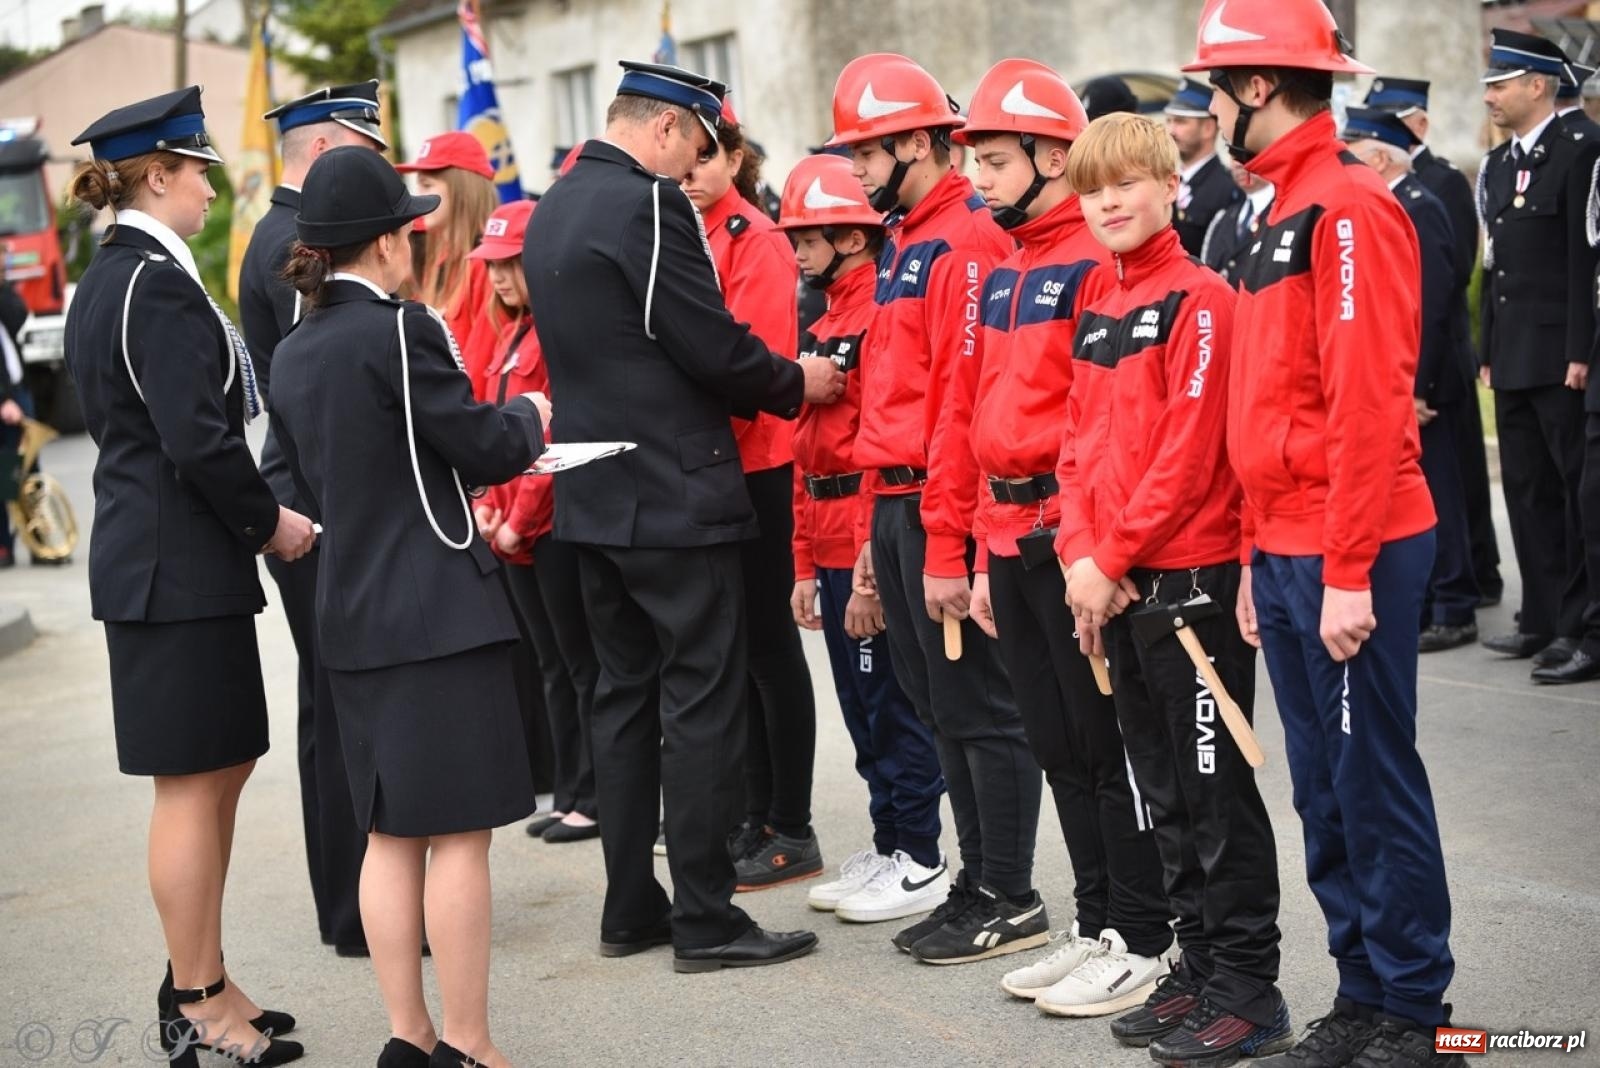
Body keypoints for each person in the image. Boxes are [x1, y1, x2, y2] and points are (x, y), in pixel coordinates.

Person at [1188, 1, 1464, 1063]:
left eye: (1218, 89)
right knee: (1318, 786)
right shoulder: (1275, 211)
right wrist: (1260, 555)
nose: (1210, 109)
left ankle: (1409, 1005)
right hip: (1291, 548)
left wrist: (1343, 570)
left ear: (1258, 87)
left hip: (1357, 545)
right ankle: (1359, 989)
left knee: (1368, 777)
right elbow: (1263, 408)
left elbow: (1364, 403)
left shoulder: (1344, 208)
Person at [523, 60, 841, 972]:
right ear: (665, 129)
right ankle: (706, 918)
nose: (694, 167)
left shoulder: (555, 205)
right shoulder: (644, 205)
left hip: (593, 495)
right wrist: (796, 381)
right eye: (696, 147)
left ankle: (632, 907)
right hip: (670, 492)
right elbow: (704, 340)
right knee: (701, 699)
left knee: (621, 703)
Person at [270, 145, 545, 1068]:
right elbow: (476, 439)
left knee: (389, 835)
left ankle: (410, 1036)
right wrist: (533, 421)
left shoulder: (297, 349)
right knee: (459, 837)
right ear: (387, 243)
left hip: (350, 616)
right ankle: (468, 1042)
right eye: (408, 229)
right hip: (437, 613)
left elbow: (286, 481)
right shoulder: (401, 330)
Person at [63, 85, 314, 1067]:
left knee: (220, 768)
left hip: (176, 565)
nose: (213, 191)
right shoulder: (149, 283)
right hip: (173, 568)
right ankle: (198, 1007)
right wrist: (272, 522)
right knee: (188, 785)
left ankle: (205, 977)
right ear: (157, 175)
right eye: (201, 174)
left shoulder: (128, 275)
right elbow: (196, 440)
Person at [1057, 110, 1293, 1062]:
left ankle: (1249, 989)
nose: (1108, 202)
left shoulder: (1203, 300)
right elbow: (1075, 449)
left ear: (1169, 187)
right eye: (1092, 188)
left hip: (1187, 591)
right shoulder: (1098, 306)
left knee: (1214, 794)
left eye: (1127, 183)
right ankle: (1195, 970)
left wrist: (1104, 562)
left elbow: (1190, 457)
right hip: (1114, 588)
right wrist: (1084, 558)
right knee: (1160, 792)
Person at [956, 58, 1171, 1014]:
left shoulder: (1090, 262)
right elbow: (976, 418)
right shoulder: (1006, 267)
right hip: (1006, 534)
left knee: (1102, 746)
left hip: (1066, 535)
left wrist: (1095, 548)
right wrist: (972, 549)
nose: (979, 180)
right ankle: (1094, 923)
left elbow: (1105, 429)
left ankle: (1144, 932)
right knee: (1055, 745)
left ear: (1054, 154)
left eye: (997, 161)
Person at [826, 52, 1045, 963]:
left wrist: (948, 536)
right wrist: (879, 533)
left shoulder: (962, 238)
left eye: (869, 152)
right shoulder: (909, 239)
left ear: (918, 141)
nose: (857, 172)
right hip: (900, 502)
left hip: (942, 502)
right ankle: (976, 877)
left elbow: (963, 400)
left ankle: (1009, 890)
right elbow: (892, 393)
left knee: (978, 708)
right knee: (938, 707)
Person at [238, 78, 388, 959]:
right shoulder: (293, 243)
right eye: (366, 150)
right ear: (329, 148)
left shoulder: (278, 233)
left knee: (332, 706)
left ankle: (356, 901)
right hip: (315, 502)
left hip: (308, 492)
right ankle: (356, 908)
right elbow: (325, 382)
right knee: (339, 711)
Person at [772, 152, 943, 919]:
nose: (798, 251)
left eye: (809, 236)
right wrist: (804, 562)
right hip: (828, 529)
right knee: (860, 708)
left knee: (893, 705)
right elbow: (809, 455)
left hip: (867, 531)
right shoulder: (827, 317)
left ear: (851, 235)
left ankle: (921, 854)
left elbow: (879, 441)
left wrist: (867, 563)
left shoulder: (878, 309)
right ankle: (887, 842)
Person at [680, 96, 822, 888]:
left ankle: (789, 823)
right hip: (715, 464)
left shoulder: (754, 240)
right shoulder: (686, 236)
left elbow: (756, 364)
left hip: (758, 462)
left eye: (710, 157)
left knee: (770, 648)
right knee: (736, 654)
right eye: (688, 158)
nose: (695, 173)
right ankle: (751, 812)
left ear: (735, 158)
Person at [469, 200, 602, 843]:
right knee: (553, 664)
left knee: (581, 664)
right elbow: (501, 429)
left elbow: (554, 440)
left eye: (510, 262)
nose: (497, 276)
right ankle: (571, 788)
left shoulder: (551, 332)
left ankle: (594, 794)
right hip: (513, 531)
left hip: (547, 530)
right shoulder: (512, 332)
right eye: (492, 264)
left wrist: (518, 516)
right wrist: (489, 503)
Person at [1477, 29, 1600, 681]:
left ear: (1537, 85)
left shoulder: (1581, 149)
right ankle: (1543, 618)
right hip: (1516, 353)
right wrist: (1489, 345)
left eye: (1500, 84)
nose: (1491, 96)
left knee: (1571, 490)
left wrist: (1582, 348)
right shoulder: (1500, 165)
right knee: (1526, 491)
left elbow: (1585, 258)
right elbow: (1496, 264)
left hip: (1561, 354)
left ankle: (1581, 623)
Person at [1341, 107, 1480, 652]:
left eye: (1355, 147)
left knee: (1440, 493)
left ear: (1380, 156)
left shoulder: (1418, 206)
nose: (1347, 157)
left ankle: (1455, 605)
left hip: (1428, 386)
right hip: (1410, 384)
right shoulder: (1392, 203)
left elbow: (1431, 305)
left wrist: (1415, 388)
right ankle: (1431, 602)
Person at [1364, 75, 1504, 609]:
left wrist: (1417, 381)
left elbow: (1439, 289)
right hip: (1414, 369)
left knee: (1451, 481)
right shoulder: (1394, 193)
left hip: (1436, 367)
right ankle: (1444, 591)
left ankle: (1458, 591)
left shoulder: (1433, 188)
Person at [395, 131, 499, 397]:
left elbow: (480, 362)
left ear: (462, 190)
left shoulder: (487, 265)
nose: (418, 197)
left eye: (427, 186)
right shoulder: (440, 261)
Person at [1164, 76, 1243, 256]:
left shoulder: (1227, 188)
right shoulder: (1166, 181)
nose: (1171, 131)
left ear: (1208, 128)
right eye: (1169, 121)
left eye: (1181, 122)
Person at [1200, 160, 1273, 283]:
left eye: (1247, 153)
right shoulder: (1222, 219)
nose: (1238, 163)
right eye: (1232, 154)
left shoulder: (1285, 214)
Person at [0, 277, 30, 568]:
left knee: (29, 472)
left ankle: (40, 542)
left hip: (19, 392)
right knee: (4, 475)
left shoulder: (4, 294)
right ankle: (3, 547)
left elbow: (19, 317)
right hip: (5, 400)